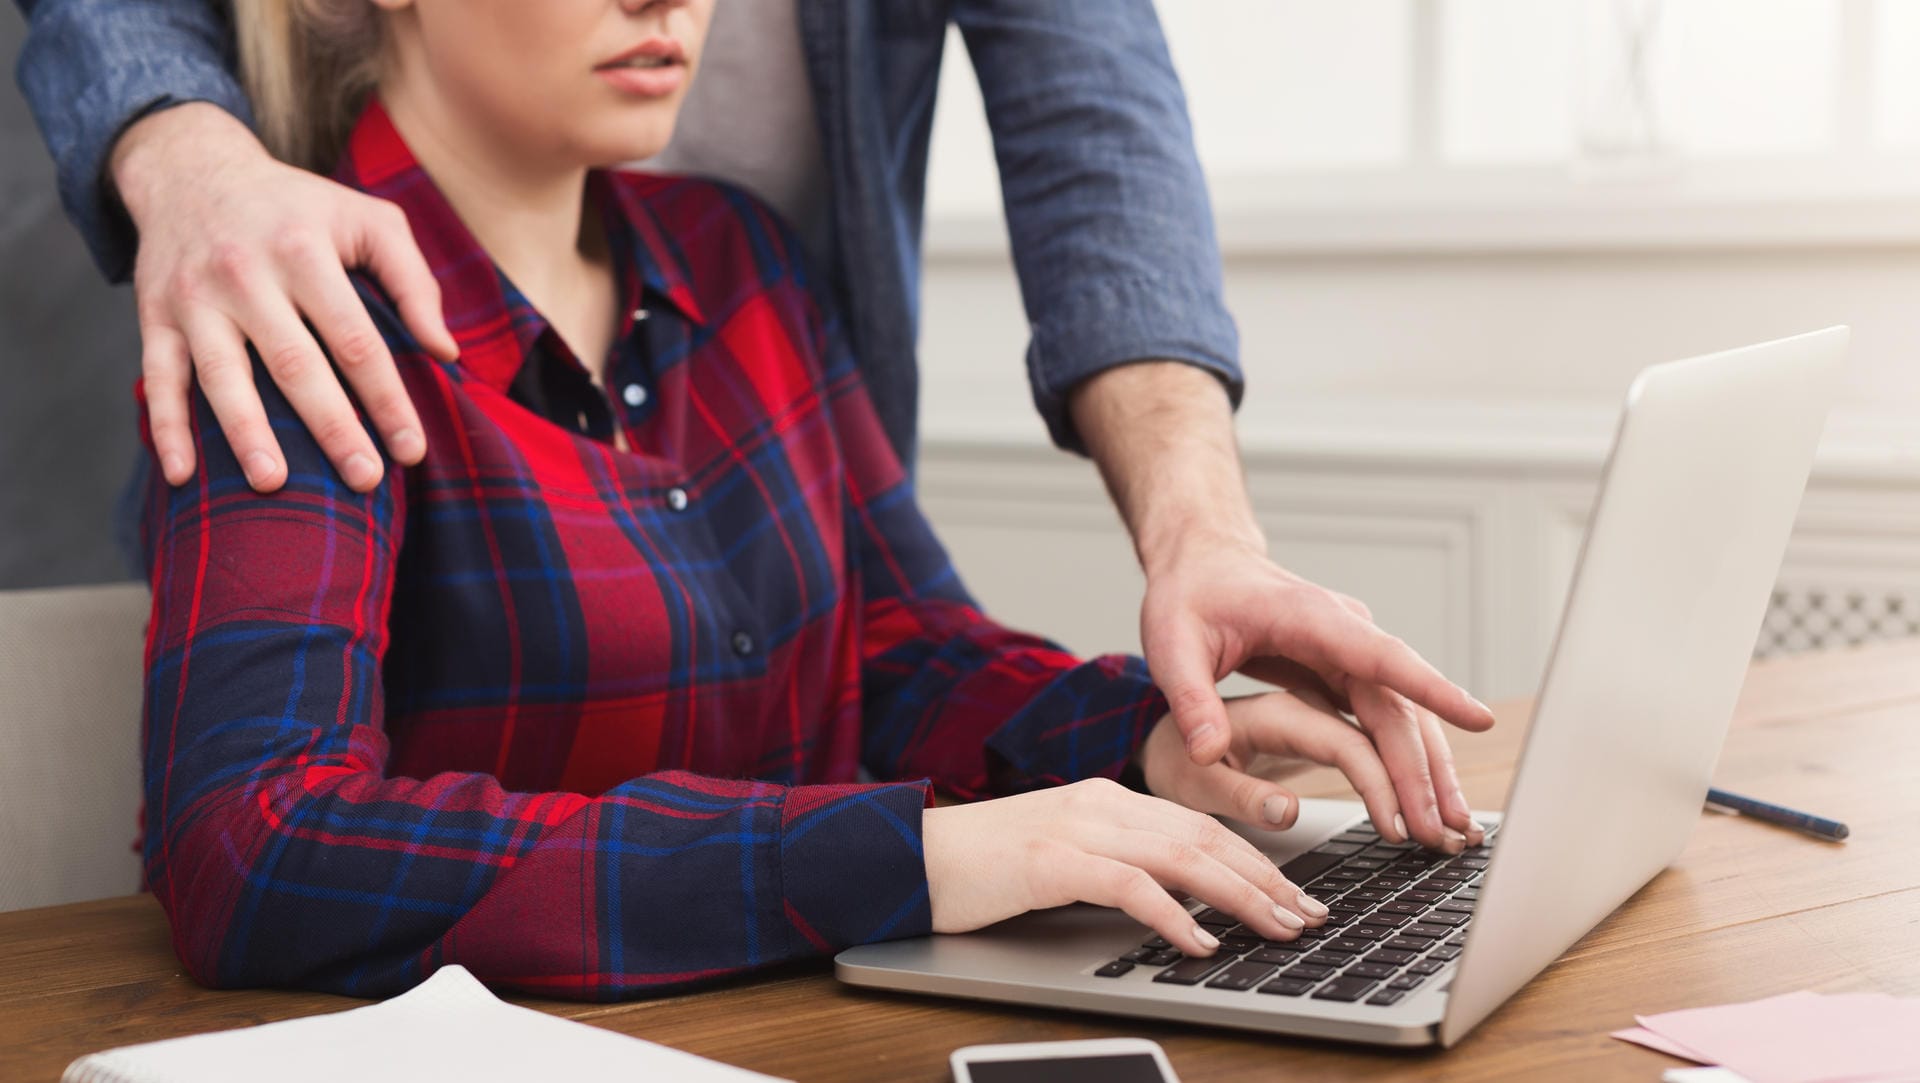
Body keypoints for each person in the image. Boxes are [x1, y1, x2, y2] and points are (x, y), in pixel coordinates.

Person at [117, 0, 1491, 997]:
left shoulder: (743, 257)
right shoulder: (292, 325)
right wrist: (913, 856)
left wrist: (1149, 738)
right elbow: (255, 848)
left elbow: (890, 650)